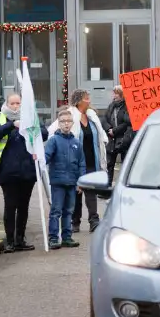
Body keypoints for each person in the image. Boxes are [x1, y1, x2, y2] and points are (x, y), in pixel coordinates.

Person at [0, 93, 47, 253]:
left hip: (27, 169)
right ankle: (10, 240)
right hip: (8, 170)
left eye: (18, 103)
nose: (15, 106)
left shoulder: (31, 117)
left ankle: (20, 239)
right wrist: (11, 125)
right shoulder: (1, 117)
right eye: (12, 103)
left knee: (23, 206)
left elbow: (44, 133)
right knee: (10, 206)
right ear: (7, 104)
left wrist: (31, 127)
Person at [44, 109, 86, 249]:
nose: (66, 124)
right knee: (56, 210)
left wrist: (81, 181)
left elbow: (81, 163)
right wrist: (40, 158)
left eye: (68, 121)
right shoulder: (54, 140)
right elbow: (46, 157)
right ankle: (53, 237)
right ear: (58, 123)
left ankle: (67, 237)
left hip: (72, 181)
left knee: (69, 211)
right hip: (58, 182)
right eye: (63, 122)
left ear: (73, 123)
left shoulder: (76, 142)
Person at [67, 89, 108, 233]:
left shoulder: (92, 117)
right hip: (76, 162)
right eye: (86, 98)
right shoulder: (70, 116)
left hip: (92, 160)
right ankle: (75, 221)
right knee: (76, 193)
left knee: (91, 192)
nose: (89, 100)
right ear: (78, 101)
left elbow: (100, 137)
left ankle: (94, 221)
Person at [103, 85, 134, 185]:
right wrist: (108, 129)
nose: (114, 96)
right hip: (111, 139)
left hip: (124, 138)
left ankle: (124, 185)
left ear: (122, 95)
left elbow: (127, 123)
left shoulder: (128, 106)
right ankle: (107, 187)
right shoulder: (111, 105)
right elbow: (104, 119)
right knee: (109, 164)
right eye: (114, 93)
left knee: (125, 163)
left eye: (116, 93)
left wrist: (115, 130)